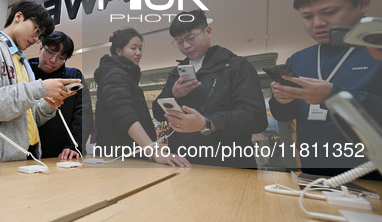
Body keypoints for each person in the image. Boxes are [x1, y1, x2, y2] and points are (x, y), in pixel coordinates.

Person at [269, 0, 382, 175]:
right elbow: (283, 115)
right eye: (307, 16)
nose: (317, 24)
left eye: (329, 13)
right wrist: (283, 100)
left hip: (370, 174)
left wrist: (334, 96)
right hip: (314, 173)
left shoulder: (377, 51)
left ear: (363, 3)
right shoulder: (299, 59)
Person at [0, 1, 80, 165]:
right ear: (18, 17)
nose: (36, 38)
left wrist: (48, 105)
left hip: (22, 156)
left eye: (40, 36)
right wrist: (39, 88)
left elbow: (27, 118)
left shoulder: (23, 64)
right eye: (37, 30)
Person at [152, 10, 267, 168]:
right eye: (179, 42)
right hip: (183, 165)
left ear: (208, 31)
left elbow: (256, 118)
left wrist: (208, 123)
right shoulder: (176, 73)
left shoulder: (236, 67)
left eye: (191, 38)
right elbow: (158, 114)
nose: (186, 46)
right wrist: (173, 94)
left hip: (229, 165)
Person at [94, 27, 190, 167]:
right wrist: (154, 152)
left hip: (126, 157)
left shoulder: (123, 75)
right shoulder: (116, 75)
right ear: (118, 50)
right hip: (121, 160)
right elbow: (124, 115)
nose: (138, 53)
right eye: (133, 48)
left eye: (140, 48)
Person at [29, 31, 93, 159]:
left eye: (60, 57)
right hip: (28, 153)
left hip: (65, 154)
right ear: (41, 47)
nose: (53, 60)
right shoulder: (25, 73)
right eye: (50, 52)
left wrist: (74, 145)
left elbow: (83, 113)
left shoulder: (73, 77)